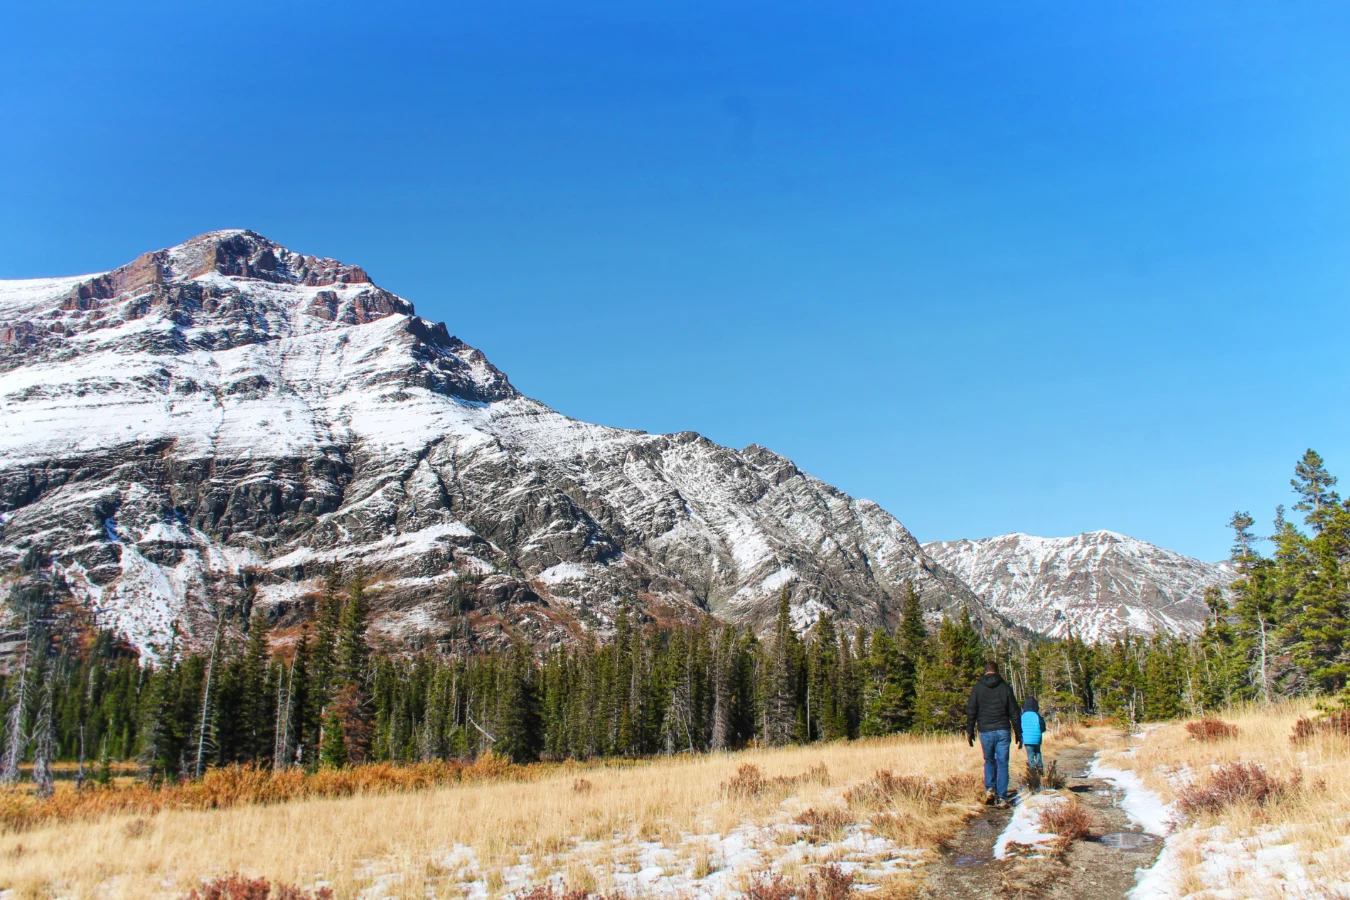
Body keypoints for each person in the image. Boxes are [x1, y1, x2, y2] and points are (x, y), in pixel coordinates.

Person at [965, 660, 1022, 807]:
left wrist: (969, 731)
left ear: (985, 672)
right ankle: (1002, 797)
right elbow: (1014, 713)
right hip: (1003, 729)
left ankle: (990, 788)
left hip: (985, 730)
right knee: (1003, 764)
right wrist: (1018, 733)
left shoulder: (978, 688)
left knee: (989, 760)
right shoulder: (1005, 688)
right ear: (997, 671)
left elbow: (971, 710)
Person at [1021, 697, 1046, 788]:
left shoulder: (1022, 716)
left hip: (1027, 739)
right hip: (1037, 738)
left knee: (1030, 755)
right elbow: (1043, 727)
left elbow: (1019, 727)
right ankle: (1040, 767)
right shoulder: (1037, 715)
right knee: (1038, 752)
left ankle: (1032, 771)